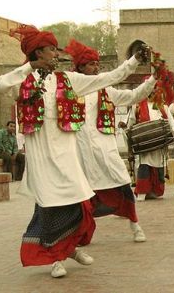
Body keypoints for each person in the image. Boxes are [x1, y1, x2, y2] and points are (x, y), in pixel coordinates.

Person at [0, 24, 146, 278]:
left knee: (81, 203)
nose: (57, 54)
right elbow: (0, 85)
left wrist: (133, 62)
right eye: (52, 50)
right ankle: (55, 259)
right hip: (41, 155)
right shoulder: (23, 81)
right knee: (49, 207)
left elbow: (105, 79)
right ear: (38, 53)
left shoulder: (68, 80)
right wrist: (29, 67)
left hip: (66, 153)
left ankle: (70, 248)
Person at [66, 39, 156, 242]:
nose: (95, 67)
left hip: (106, 152)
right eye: (91, 64)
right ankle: (81, 233)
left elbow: (134, 95)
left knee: (122, 184)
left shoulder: (106, 91)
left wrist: (152, 80)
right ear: (80, 67)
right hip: (80, 154)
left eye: (97, 64)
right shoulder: (70, 90)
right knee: (80, 197)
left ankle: (135, 226)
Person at [128, 81, 168, 201]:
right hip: (145, 144)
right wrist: (126, 128)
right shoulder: (137, 105)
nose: (153, 91)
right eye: (150, 89)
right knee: (145, 165)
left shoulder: (161, 106)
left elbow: (169, 120)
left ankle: (155, 190)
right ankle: (147, 190)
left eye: (155, 89)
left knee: (158, 165)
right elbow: (130, 122)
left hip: (159, 144)